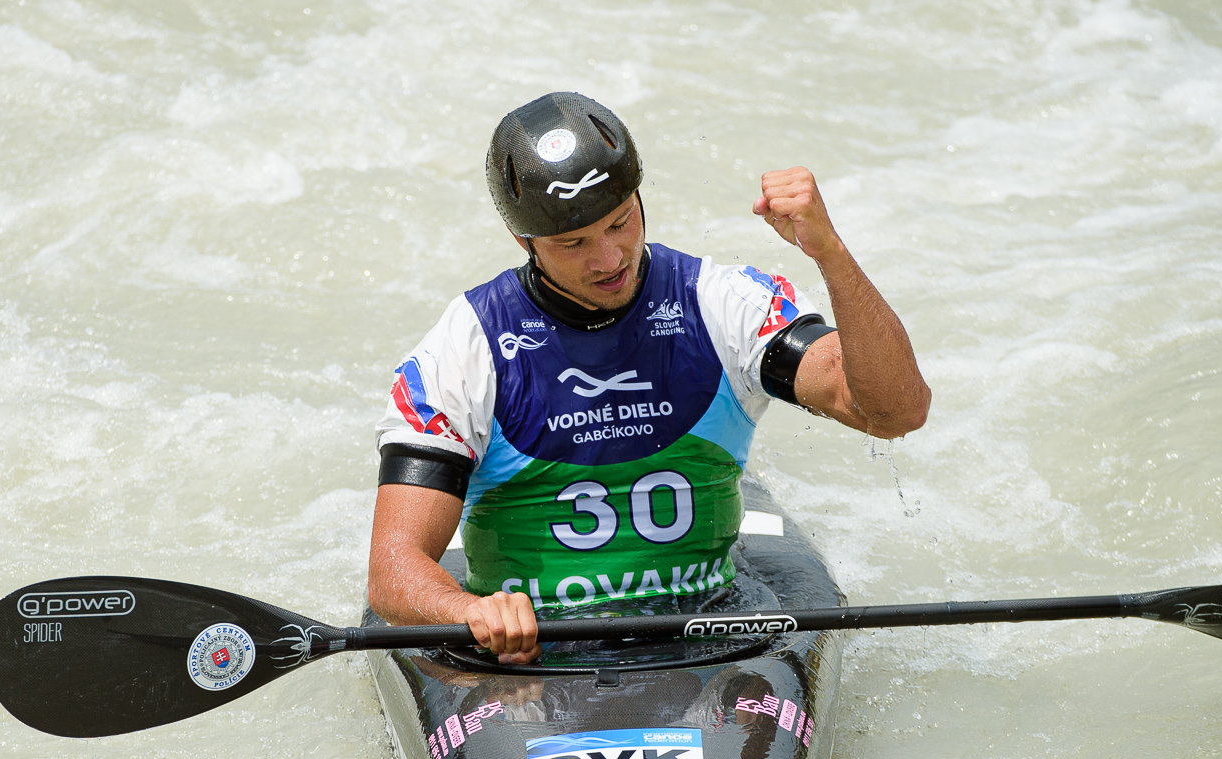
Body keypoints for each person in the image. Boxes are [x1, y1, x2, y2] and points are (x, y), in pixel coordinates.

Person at [368, 92, 929, 664]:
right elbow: (393, 573)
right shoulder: (466, 345)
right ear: (524, 241)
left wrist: (829, 252)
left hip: (708, 631)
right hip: (539, 653)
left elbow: (894, 412)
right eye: (574, 243)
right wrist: (466, 612)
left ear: (640, 197)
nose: (609, 258)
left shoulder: (723, 302)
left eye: (620, 222)